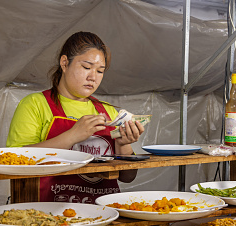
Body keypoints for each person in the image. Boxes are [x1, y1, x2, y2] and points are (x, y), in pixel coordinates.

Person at [7, 32, 144, 203]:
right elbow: (15, 162)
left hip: (101, 214)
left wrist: (123, 144)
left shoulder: (109, 112)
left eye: (100, 71)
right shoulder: (35, 104)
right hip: (47, 216)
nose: (92, 77)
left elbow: (127, 177)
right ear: (64, 63)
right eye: (86, 67)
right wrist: (73, 135)